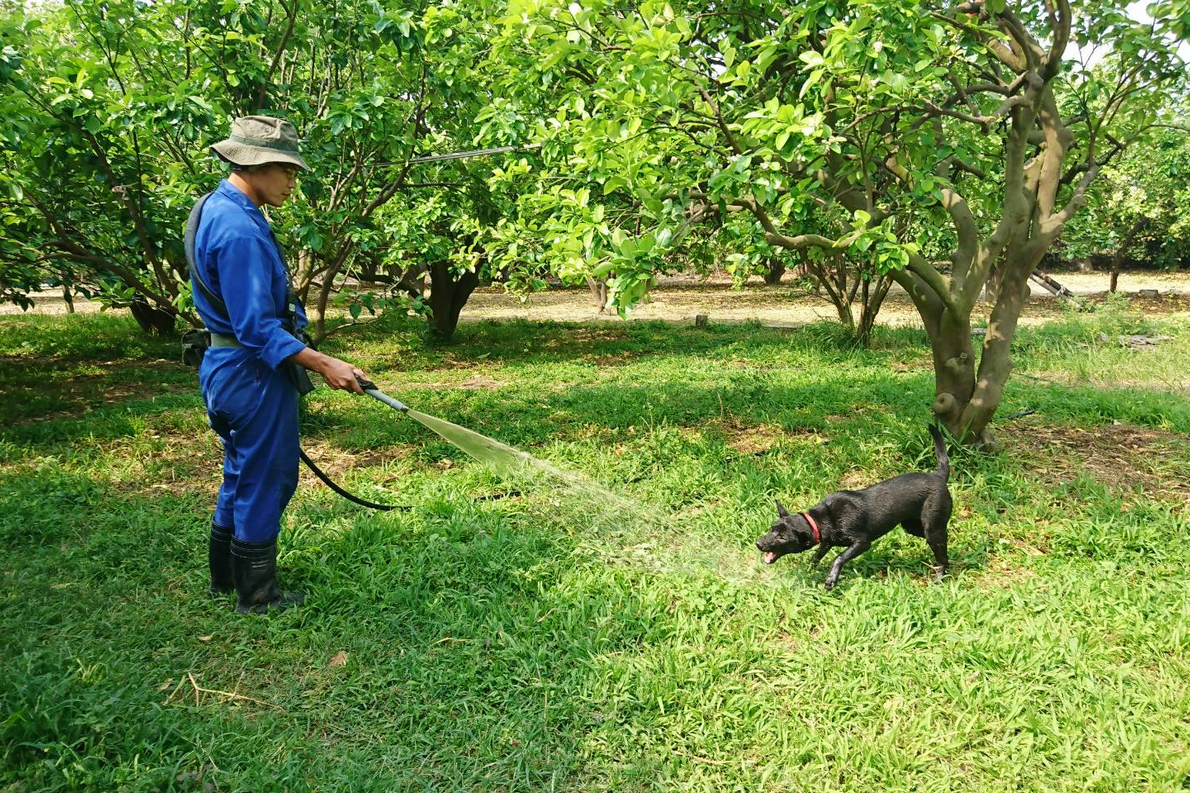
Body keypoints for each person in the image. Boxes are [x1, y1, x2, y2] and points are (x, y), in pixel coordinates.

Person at [193, 115, 366, 614]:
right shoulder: (239, 229)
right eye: (286, 170)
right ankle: (259, 596)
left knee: (241, 472)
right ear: (254, 164)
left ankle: (225, 580)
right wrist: (323, 362)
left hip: (225, 366)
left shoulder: (219, 207)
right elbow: (255, 327)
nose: (293, 181)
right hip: (250, 372)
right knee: (266, 478)